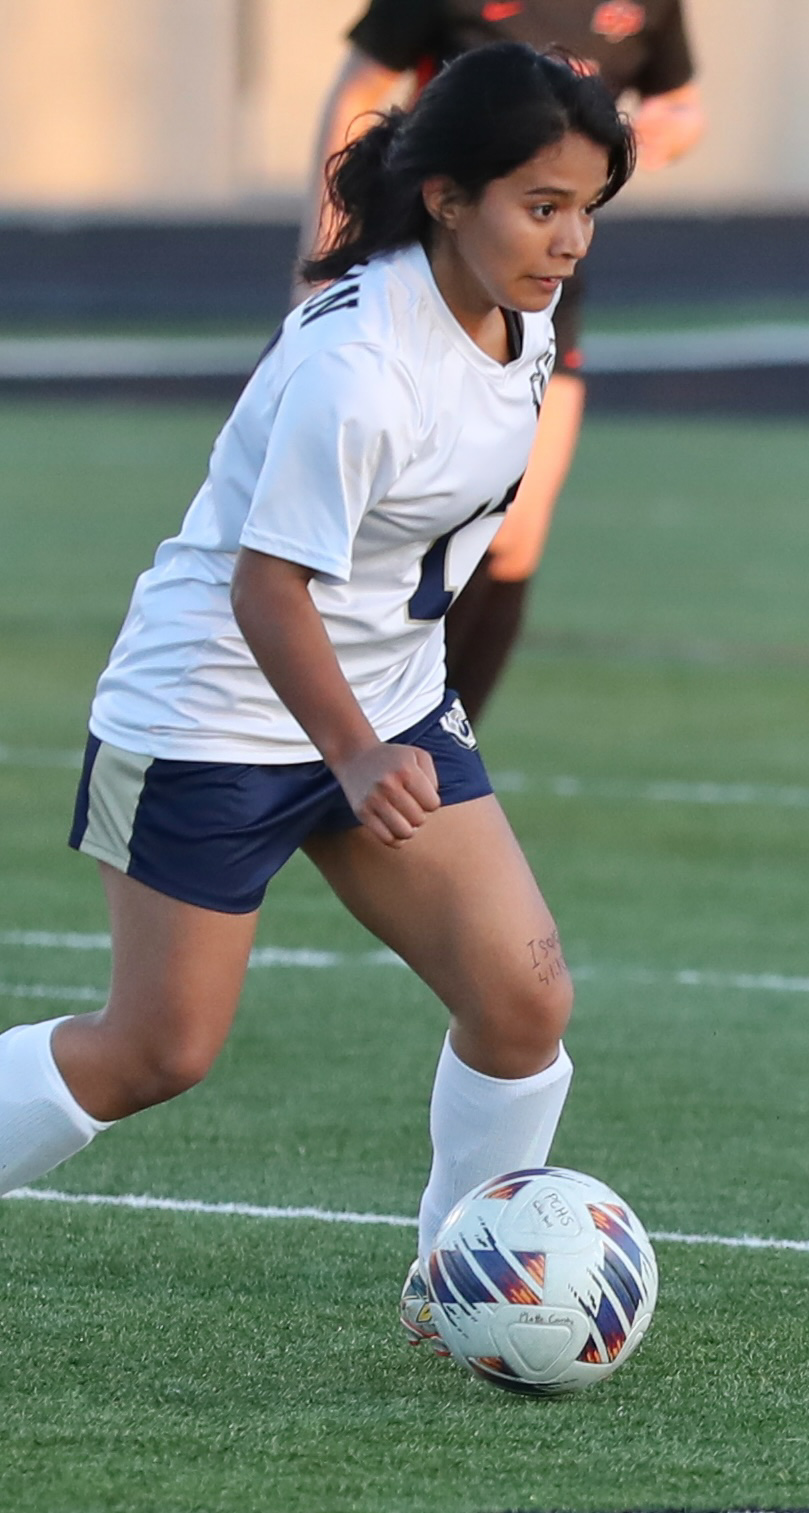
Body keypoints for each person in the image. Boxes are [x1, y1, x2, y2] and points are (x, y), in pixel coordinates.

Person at [0, 43, 634, 1354]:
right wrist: (353, 752)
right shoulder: (357, 366)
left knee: (522, 1001)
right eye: (541, 205)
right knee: (156, 1050)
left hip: (382, 709)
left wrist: (381, 726)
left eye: (586, 208)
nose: (570, 239)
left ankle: (460, 1282)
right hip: (208, 718)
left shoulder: (521, 321)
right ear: (448, 197)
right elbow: (266, 587)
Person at [301, 0, 705, 723]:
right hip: (443, 266)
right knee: (404, 520)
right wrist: (327, 252)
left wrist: (624, 142)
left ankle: (436, 735)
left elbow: (682, 106)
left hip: (543, 285)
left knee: (512, 538)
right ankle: (362, 722)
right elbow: (360, 89)